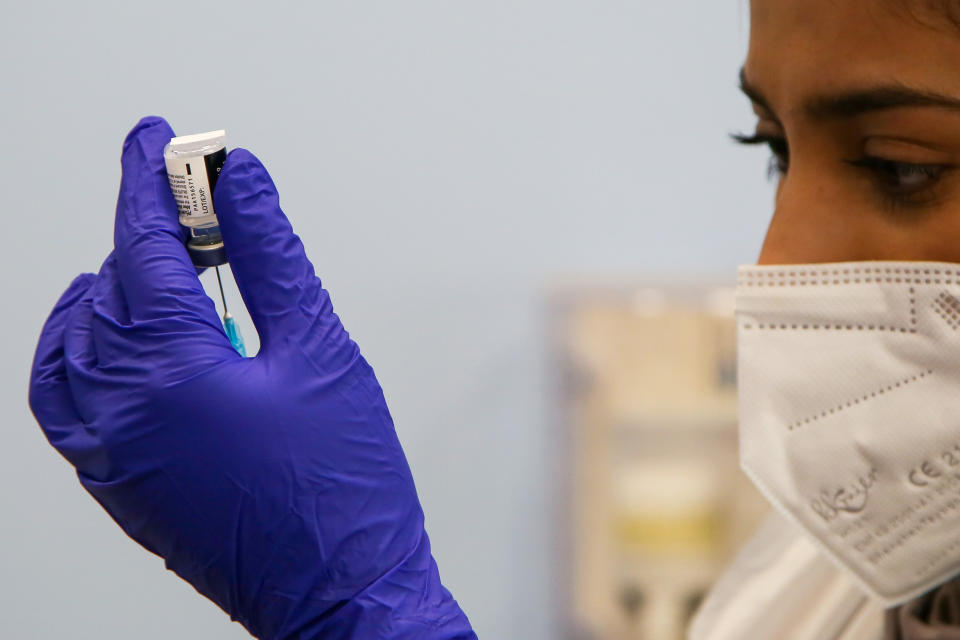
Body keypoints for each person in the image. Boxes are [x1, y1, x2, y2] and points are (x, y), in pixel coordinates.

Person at [27, 1, 960, 638]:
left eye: (901, 164)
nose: (775, 265)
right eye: (774, 152)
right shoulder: (822, 579)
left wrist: (364, 610)